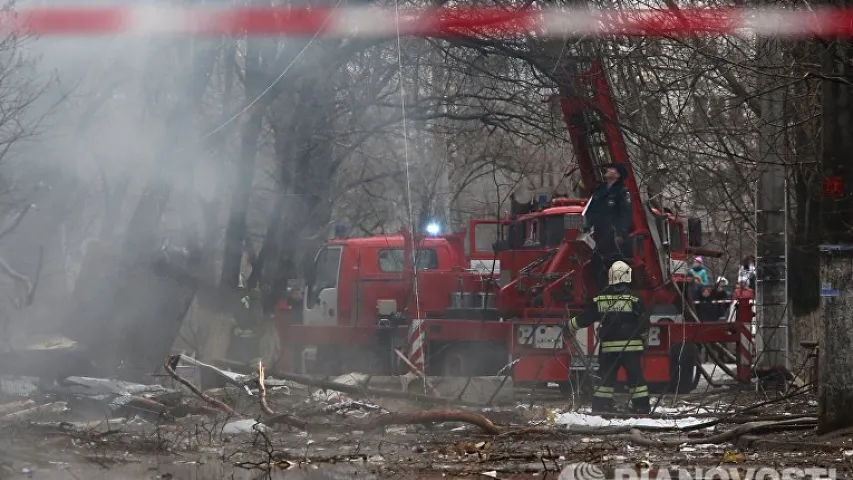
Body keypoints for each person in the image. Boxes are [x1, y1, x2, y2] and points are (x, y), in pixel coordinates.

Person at [567, 261, 650, 414]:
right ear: (627, 276)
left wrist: (569, 326)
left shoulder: (600, 298)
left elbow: (586, 317)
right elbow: (644, 322)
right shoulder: (634, 298)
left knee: (605, 378)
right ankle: (641, 407)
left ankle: (602, 406)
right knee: (635, 378)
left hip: (609, 347)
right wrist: (644, 339)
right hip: (631, 348)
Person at [583, 163, 634, 289]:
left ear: (617, 175)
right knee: (596, 262)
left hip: (613, 234)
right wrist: (584, 228)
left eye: (612, 169)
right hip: (597, 233)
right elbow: (590, 212)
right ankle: (598, 287)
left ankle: (617, 288)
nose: (607, 170)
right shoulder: (599, 190)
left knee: (614, 261)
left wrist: (621, 233)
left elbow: (626, 214)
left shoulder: (622, 192)